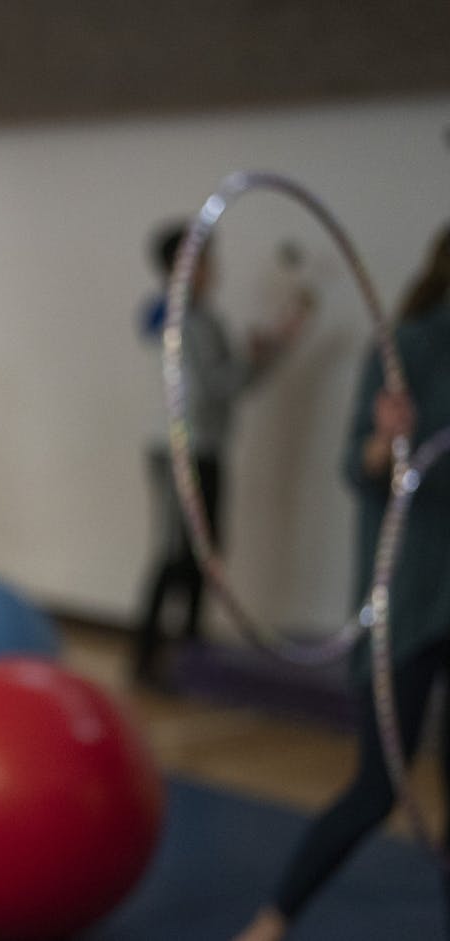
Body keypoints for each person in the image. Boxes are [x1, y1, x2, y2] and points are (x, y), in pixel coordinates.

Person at [233, 225, 450, 941]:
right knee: (378, 784)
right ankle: (273, 917)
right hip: (413, 593)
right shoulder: (408, 348)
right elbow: (359, 468)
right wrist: (384, 439)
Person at [131, 221, 313, 687]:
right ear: (183, 266)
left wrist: (270, 347)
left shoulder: (204, 319)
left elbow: (230, 384)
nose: (215, 268)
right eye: (206, 258)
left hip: (203, 449)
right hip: (179, 452)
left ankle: (188, 659)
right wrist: (264, 350)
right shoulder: (178, 317)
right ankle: (146, 662)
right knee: (177, 553)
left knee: (202, 553)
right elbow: (220, 382)